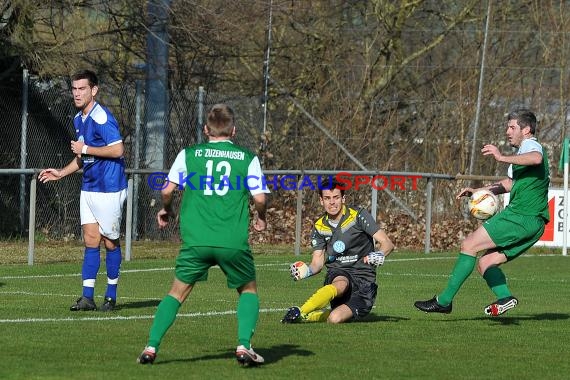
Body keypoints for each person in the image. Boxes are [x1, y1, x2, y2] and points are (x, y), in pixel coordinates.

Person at [137, 104, 269, 366]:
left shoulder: (188, 155)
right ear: (233, 130)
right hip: (231, 241)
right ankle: (244, 344)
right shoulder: (247, 158)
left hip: (196, 240)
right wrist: (260, 216)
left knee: (176, 293)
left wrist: (167, 209)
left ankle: (151, 347)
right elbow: (260, 197)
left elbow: (166, 190)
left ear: (206, 129)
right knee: (248, 290)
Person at [414, 109, 549, 316]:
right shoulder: (522, 155)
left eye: (512, 127)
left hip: (520, 216)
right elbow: (510, 184)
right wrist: (481, 191)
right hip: (534, 223)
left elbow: (537, 158)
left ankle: (444, 301)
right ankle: (505, 297)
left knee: (469, 245)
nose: (507, 131)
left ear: (527, 129)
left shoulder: (530, 145)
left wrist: (501, 157)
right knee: (486, 262)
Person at [38, 69, 127, 312]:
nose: (77, 94)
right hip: (88, 187)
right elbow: (82, 157)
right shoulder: (79, 119)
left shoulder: (101, 118)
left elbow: (118, 150)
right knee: (90, 240)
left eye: (82, 89)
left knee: (110, 242)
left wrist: (85, 147)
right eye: (74, 89)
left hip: (108, 188)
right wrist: (60, 172)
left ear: (94, 90)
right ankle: (87, 297)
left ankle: (110, 296)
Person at [281, 178, 394, 324]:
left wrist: (379, 254)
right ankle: (300, 311)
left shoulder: (358, 215)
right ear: (321, 201)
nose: (332, 202)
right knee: (341, 283)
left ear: (343, 198)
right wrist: (307, 271)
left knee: (334, 319)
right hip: (339, 273)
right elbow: (317, 263)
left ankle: (305, 317)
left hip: (364, 279)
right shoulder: (319, 226)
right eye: (327, 198)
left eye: (336, 197)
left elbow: (387, 243)